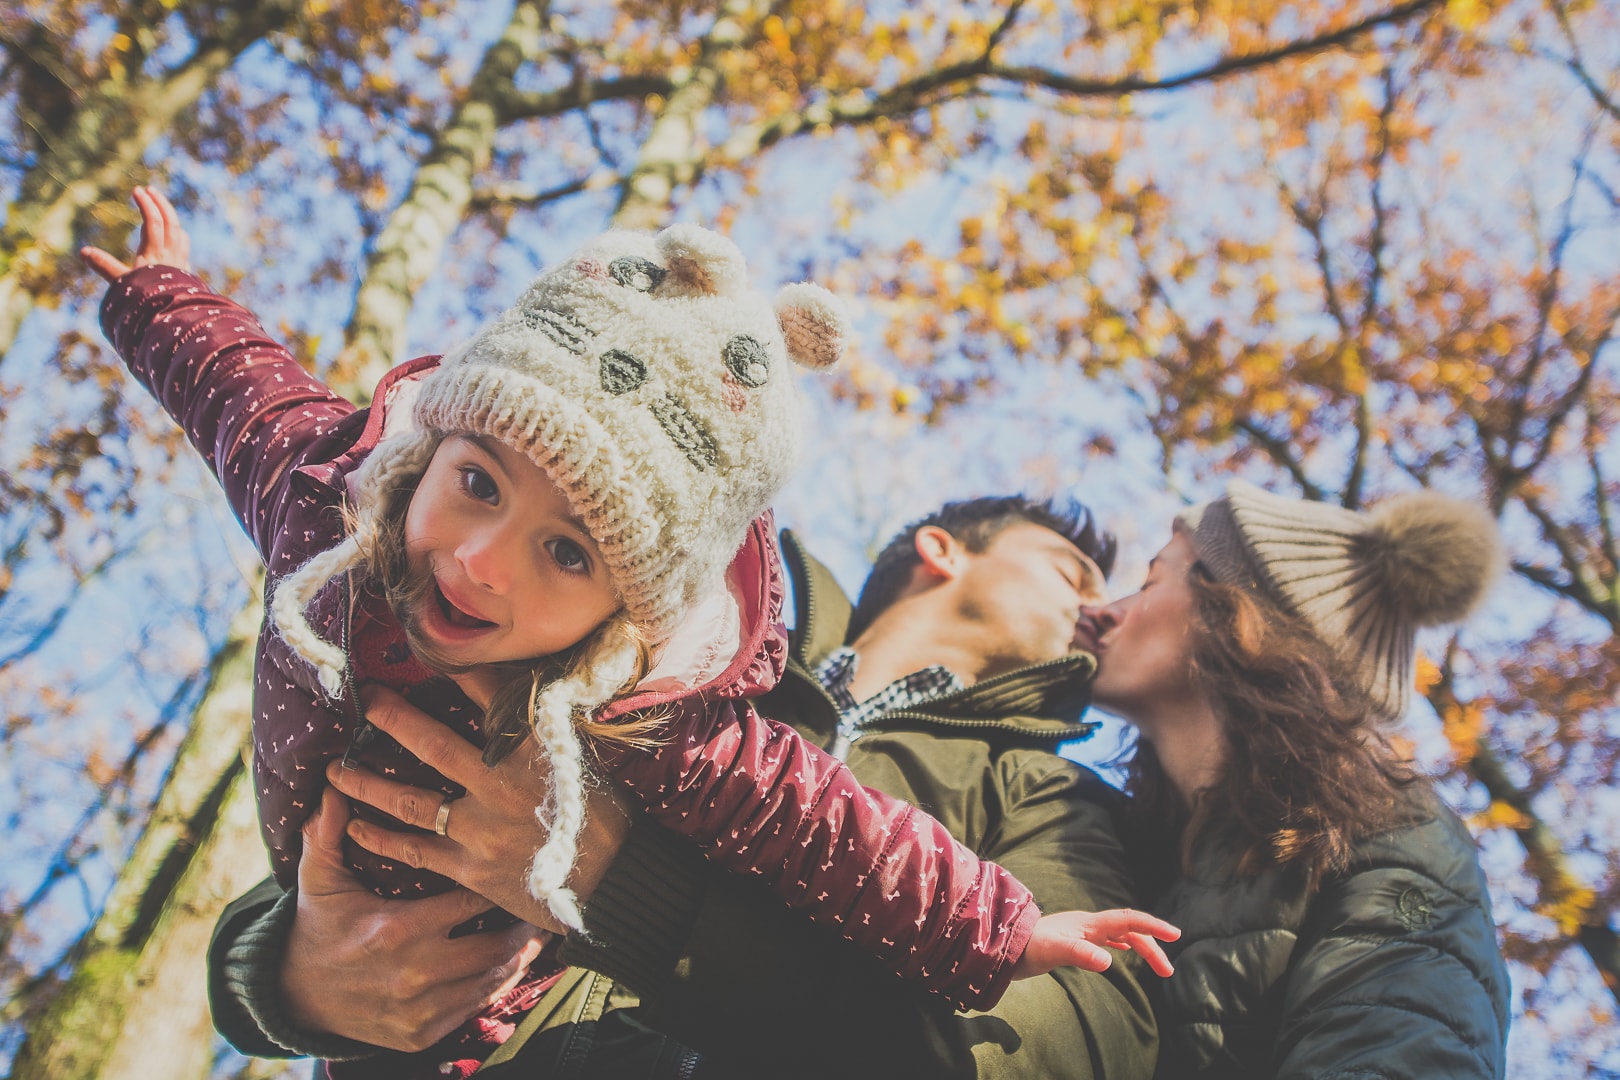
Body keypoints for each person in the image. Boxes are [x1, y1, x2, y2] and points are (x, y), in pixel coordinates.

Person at [85, 190, 1173, 1076]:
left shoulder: (679, 712)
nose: (480, 559)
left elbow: (841, 836)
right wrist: (155, 297)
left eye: (569, 554)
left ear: (630, 609)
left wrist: (1005, 932)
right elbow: (244, 393)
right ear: (945, 550)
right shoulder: (331, 498)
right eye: (476, 483)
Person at [208, 497, 1165, 1078]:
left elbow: (1057, 1054)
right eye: (1071, 570)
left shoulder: (1045, 793)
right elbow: (366, 788)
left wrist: (629, 888)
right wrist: (286, 974)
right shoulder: (677, 628)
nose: (1099, 608)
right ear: (942, 549)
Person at [1080, 479, 1512, 1079]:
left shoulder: (1392, 832)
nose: (1101, 610)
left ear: (1234, 617)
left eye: (1152, 580)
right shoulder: (1115, 843)